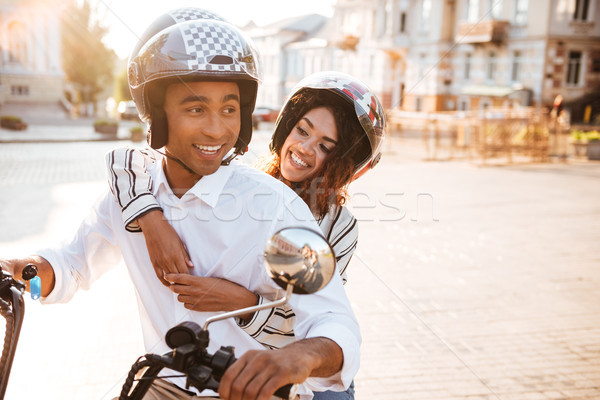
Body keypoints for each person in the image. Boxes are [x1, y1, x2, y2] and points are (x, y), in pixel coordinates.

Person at [0, 17, 361, 400]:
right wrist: (22, 274)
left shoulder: (276, 208)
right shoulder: (132, 200)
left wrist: (298, 358)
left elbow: (332, 319)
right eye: (195, 109)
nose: (216, 130)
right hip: (162, 384)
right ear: (158, 115)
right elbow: (69, 266)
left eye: (229, 109)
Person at [107, 66, 386, 398]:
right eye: (302, 130)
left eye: (326, 146)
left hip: (302, 372)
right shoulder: (244, 180)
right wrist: (150, 217)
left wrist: (239, 300)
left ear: (345, 161)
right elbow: (135, 160)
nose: (306, 148)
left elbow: (307, 321)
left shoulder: (338, 226)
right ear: (286, 127)